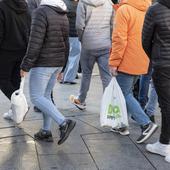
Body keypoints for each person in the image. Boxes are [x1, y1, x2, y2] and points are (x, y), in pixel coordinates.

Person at [20, 0, 76, 144]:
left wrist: (26, 65)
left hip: (44, 63)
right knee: (45, 96)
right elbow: (66, 42)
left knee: (36, 97)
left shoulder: (41, 12)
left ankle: (63, 122)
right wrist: (62, 67)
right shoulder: (62, 13)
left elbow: (35, 41)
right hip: (57, 62)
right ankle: (45, 131)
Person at [109, 0, 158, 144]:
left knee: (124, 93)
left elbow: (119, 39)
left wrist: (114, 62)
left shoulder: (124, 10)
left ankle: (146, 124)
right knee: (128, 92)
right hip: (142, 59)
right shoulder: (147, 8)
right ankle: (121, 125)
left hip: (126, 59)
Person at [70, 0, 113, 110]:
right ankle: (108, 105)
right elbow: (113, 24)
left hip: (88, 44)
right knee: (106, 76)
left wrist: (82, 39)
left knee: (86, 74)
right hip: (105, 44)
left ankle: (81, 99)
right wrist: (109, 39)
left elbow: (79, 25)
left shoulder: (83, 3)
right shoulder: (109, 3)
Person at [142, 0, 170, 163]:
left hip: (163, 64)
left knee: (166, 105)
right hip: (163, 63)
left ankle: (165, 143)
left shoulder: (154, 9)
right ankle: (164, 142)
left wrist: (155, 57)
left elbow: (145, 39)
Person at [0, 0, 31, 120]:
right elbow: (29, 27)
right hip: (23, 49)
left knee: (3, 80)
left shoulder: (2, 6)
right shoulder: (25, 6)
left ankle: (21, 106)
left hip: (6, 51)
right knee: (15, 81)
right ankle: (15, 111)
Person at [61, 0, 81, 84]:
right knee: (74, 56)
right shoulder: (77, 4)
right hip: (75, 34)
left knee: (66, 55)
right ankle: (68, 78)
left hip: (65, 33)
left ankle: (63, 76)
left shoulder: (63, 2)